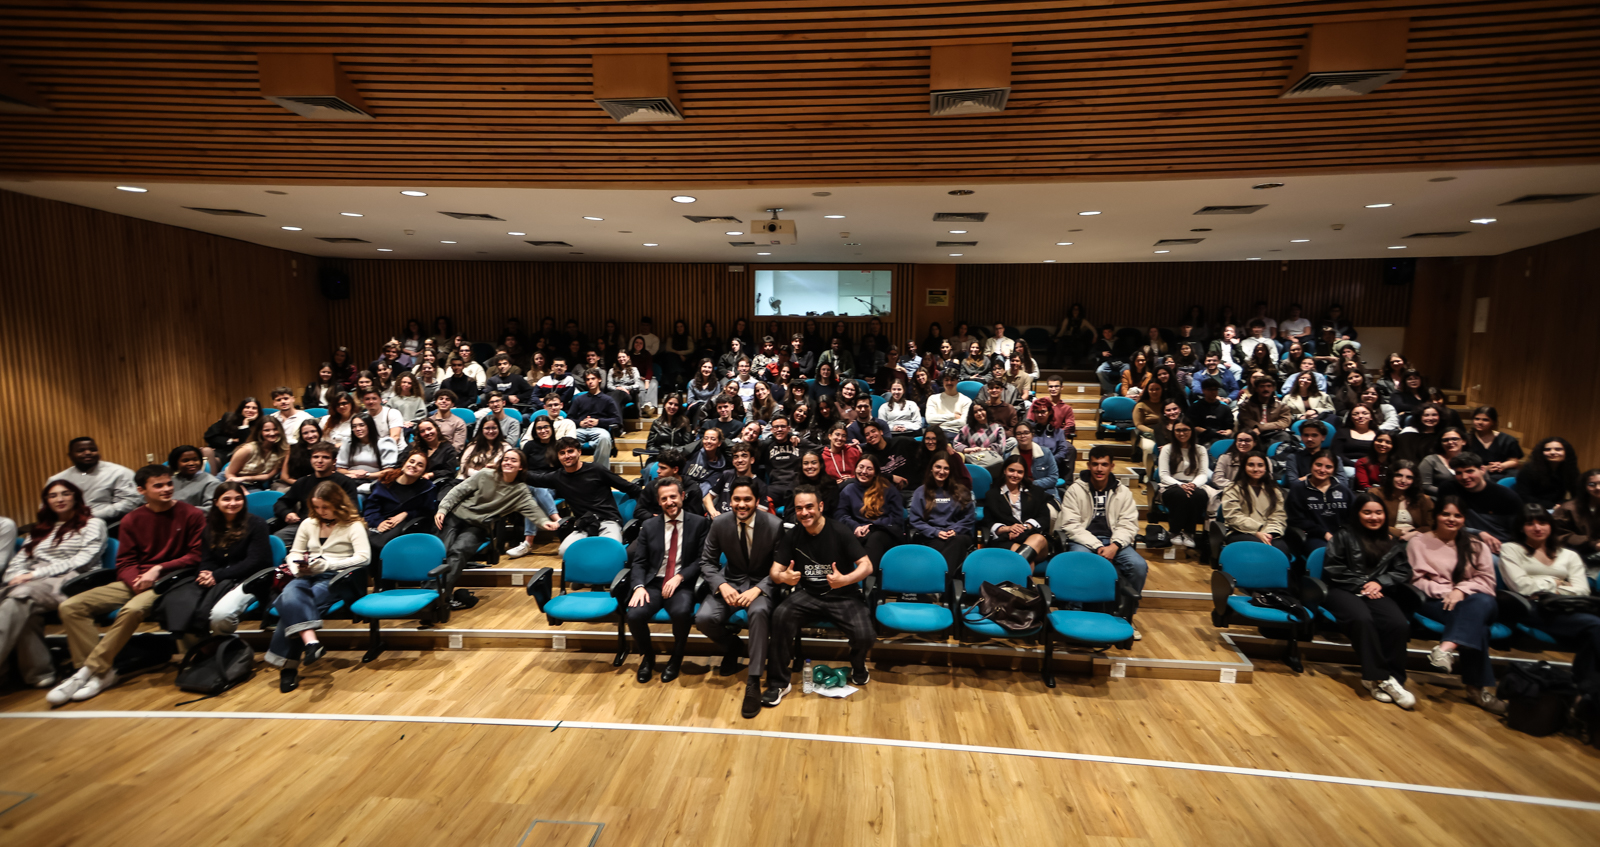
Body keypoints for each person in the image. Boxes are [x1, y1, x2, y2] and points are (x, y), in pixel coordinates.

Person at [49, 464, 205, 706]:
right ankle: (101, 673)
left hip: (171, 579)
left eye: (168, 484)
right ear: (141, 490)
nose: (166, 489)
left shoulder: (191, 514)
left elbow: (196, 556)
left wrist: (158, 569)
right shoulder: (132, 519)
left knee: (132, 610)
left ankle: (86, 673)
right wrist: (135, 582)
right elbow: (125, 561)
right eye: (159, 485)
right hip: (136, 580)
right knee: (71, 606)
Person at [764, 486, 876, 707]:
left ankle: (858, 665)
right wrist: (784, 577)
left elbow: (867, 566)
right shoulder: (793, 535)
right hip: (809, 595)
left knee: (866, 635)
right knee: (780, 615)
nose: (804, 512)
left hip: (844, 596)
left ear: (820, 507)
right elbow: (774, 573)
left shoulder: (840, 531)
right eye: (799, 508)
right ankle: (778, 683)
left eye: (809, 507)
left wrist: (845, 579)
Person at [1, 481, 106, 690]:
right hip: (33, 584)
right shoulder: (40, 529)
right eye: (53, 496)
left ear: (75, 497)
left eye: (65, 494)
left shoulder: (93, 524)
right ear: (46, 502)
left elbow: (83, 560)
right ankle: (40, 674)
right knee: (23, 607)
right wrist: (16, 575)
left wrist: (34, 574)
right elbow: (19, 561)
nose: (59, 499)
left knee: (20, 597)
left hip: (73, 581)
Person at [268, 482, 372, 693]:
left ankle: (288, 667)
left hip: (337, 577)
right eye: (316, 507)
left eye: (325, 507)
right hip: (308, 573)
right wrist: (297, 567)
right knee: (291, 594)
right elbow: (295, 552)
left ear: (338, 504)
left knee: (293, 605)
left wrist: (328, 564)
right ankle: (311, 643)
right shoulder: (309, 523)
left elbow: (364, 558)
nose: (320, 512)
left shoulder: (353, 525)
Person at [1409, 497, 1507, 715]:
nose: (1451, 519)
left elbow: (1488, 582)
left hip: (1476, 600)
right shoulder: (1418, 542)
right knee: (1476, 624)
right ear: (1436, 516)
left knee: (1479, 603)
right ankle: (1476, 690)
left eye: (1457, 515)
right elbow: (1417, 580)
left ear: (1464, 519)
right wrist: (1446, 593)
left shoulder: (1476, 545)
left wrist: (1460, 591)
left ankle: (1445, 649)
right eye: (1446, 514)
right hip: (1437, 601)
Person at [1320, 493, 1418, 709]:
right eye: (1367, 512)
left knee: (1398, 623)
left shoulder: (1390, 541)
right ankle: (1379, 678)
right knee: (1362, 619)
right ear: (1357, 514)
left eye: (1378, 512)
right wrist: (1364, 584)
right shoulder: (1343, 535)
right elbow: (1333, 569)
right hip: (1342, 589)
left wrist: (1380, 582)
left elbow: (1403, 570)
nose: (1374, 517)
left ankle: (1394, 679)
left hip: (1376, 590)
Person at [1502, 505, 1600, 686]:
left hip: (1567, 605)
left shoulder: (1569, 555)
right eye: (1530, 523)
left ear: (1551, 525)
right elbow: (1521, 586)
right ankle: (1587, 691)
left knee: (1592, 633)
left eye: (1542, 522)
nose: (1537, 528)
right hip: (1531, 607)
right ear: (1521, 527)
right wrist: (1556, 582)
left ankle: (1584, 688)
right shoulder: (1511, 549)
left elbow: (1582, 590)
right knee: (1595, 625)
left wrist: (1542, 586)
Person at [625, 477, 709, 685]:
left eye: (673, 496)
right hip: (654, 582)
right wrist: (638, 586)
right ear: (659, 502)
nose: (670, 502)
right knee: (634, 614)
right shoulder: (649, 525)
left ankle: (676, 657)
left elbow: (702, 560)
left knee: (681, 613)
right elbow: (640, 562)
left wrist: (679, 577)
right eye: (664, 499)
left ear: (682, 496)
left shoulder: (699, 523)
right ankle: (648, 657)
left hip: (682, 582)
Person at [437, 449, 556, 594]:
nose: (508, 462)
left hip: (478, 526)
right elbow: (458, 491)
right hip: (455, 516)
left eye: (513, 460)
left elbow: (533, 510)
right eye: (506, 459)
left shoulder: (520, 491)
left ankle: (439, 595)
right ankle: (427, 591)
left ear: (521, 467)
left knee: (458, 551)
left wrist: (545, 522)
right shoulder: (485, 474)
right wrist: (443, 509)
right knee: (441, 550)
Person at [1058, 447, 1146, 629]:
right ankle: (1076, 611)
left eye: (1104, 465)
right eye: (1095, 464)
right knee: (1081, 560)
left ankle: (1127, 615)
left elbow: (1128, 524)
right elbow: (1070, 524)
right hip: (1083, 540)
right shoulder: (1075, 489)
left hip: (1115, 541)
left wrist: (1114, 545)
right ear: (1089, 465)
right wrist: (1097, 545)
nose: (1099, 469)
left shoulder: (1123, 492)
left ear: (1112, 466)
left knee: (1138, 566)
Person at [521, 438, 642, 556]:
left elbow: (630, 488)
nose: (567, 456)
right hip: (584, 525)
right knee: (565, 551)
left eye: (570, 451)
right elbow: (534, 479)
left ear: (579, 452)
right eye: (562, 453)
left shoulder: (596, 469)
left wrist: (648, 507)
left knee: (609, 549)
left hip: (608, 521)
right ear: (558, 456)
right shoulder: (558, 477)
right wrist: (515, 468)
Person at [183, 481, 273, 637]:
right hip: (221, 579)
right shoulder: (210, 527)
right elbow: (207, 558)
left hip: (250, 580)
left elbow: (256, 562)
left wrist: (216, 576)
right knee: (185, 608)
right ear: (216, 502)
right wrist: (205, 573)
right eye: (226, 499)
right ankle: (212, 651)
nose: (233, 503)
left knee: (220, 615)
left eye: (238, 498)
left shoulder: (257, 524)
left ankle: (228, 649)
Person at [48, 437, 141, 524]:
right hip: (66, 524)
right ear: (70, 455)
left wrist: (91, 516)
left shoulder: (120, 472)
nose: (88, 452)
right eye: (81, 450)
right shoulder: (57, 479)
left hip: (110, 524)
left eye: (93, 450)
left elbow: (130, 502)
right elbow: (46, 508)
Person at [908, 456, 976, 575]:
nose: (941, 471)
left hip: (958, 534)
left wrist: (955, 530)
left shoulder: (961, 491)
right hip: (932, 535)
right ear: (931, 469)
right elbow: (915, 520)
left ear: (950, 471)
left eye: (946, 468)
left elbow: (969, 517)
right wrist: (936, 532)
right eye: (938, 467)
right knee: (939, 546)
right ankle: (939, 587)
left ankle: (933, 581)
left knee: (957, 542)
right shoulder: (921, 491)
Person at [1440, 453, 1523, 550]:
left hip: (1499, 545)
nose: (1464, 477)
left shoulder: (1506, 496)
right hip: (1462, 539)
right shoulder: (1449, 489)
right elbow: (1442, 522)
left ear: (1482, 470)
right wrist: (1477, 533)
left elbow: (1518, 532)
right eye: (1459, 473)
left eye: (1469, 471)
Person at [835, 455, 906, 568]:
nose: (864, 471)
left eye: (869, 468)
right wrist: (856, 527)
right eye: (861, 467)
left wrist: (873, 526)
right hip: (858, 532)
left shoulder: (888, 488)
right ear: (855, 469)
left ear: (876, 472)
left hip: (886, 531)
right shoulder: (848, 490)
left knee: (876, 537)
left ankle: (866, 581)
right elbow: (840, 515)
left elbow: (897, 517)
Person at [363, 452, 438, 557]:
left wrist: (406, 514)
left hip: (408, 527)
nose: (414, 466)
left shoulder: (427, 488)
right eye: (411, 462)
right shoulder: (385, 482)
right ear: (404, 464)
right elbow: (371, 508)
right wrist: (379, 523)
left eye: (420, 465)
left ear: (423, 472)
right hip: (380, 524)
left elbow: (428, 512)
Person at [1220, 452, 1293, 560]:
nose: (1255, 469)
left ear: (1266, 468)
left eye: (1260, 465)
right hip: (1241, 531)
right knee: (1258, 547)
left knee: (1281, 550)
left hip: (1270, 531)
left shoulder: (1275, 490)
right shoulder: (1233, 488)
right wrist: (1257, 531)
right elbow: (1233, 516)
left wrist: (1269, 532)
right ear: (1244, 467)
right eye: (1251, 465)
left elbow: (1279, 515)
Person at [985, 455, 1053, 565]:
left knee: (1038, 539)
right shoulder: (992, 495)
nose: (1015, 475)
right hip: (1007, 539)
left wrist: (1024, 528)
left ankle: (1011, 579)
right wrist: (1009, 529)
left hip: (1032, 537)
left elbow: (1044, 518)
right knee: (1025, 556)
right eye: (1011, 470)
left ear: (1024, 474)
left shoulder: (1036, 492)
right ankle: (1025, 582)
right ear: (1004, 471)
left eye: (1019, 472)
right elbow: (989, 522)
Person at [1157, 421, 1213, 550]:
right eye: (1178, 430)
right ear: (1173, 432)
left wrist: (1192, 484)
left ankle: (1189, 532)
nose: (1182, 433)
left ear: (1192, 431)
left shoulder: (1200, 449)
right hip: (1171, 484)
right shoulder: (1167, 448)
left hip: (1195, 483)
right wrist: (1181, 485)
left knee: (1199, 495)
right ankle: (1175, 531)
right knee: (1180, 495)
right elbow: (1163, 475)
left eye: (1185, 430)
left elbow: (1203, 474)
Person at [1286, 450, 1352, 556]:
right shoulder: (1298, 489)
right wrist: (1323, 533)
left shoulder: (1343, 490)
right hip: (1312, 536)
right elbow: (1296, 519)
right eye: (1318, 465)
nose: (1322, 470)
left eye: (1328, 467)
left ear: (1334, 469)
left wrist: (1342, 535)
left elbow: (1352, 517)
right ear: (1311, 465)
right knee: (1328, 552)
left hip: (1342, 536)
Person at [1553, 469, 1600, 574]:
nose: (1598, 488)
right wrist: (1593, 544)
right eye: (1592, 484)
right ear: (1584, 486)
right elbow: (1561, 535)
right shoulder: (1569, 508)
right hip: (1575, 554)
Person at [225, 416, 289, 491]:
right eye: (267, 430)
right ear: (260, 432)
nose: (272, 433)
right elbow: (229, 473)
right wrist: (242, 490)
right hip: (231, 481)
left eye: (275, 429)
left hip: (253, 484)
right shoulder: (247, 449)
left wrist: (244, 478)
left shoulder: (283, 451)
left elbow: (268, 476)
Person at [1516, 437, 1580, 509]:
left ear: (1567, 452)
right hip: (1533, 508)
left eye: (1558, 449)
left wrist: (1563, 504)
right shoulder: (1528, 470)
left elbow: (1577, 494)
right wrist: (1551, 506)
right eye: (1547, 450)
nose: (1552, 452)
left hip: (1557, 508)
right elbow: (1523, 496)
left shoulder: (1570, 470)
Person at [1464, 406, 1523, 481]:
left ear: (1493, 422)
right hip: (1475, 473)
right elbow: (1461, 461)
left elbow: (1514, 461)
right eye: (1477, 419)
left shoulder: (1507, 439)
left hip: (1501, 472)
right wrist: (1485, 468)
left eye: (1485, 420)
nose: (1480, 422)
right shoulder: (1465, 439)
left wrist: (1502, 465)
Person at [1236, 376, 1293, 444]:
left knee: (1284, 436)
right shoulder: (1245, 406)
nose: (1266, 389)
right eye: (1262, 386)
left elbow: (1284, 422)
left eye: (1269, 386)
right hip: (1253, 433)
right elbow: (1246, 421)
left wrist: (1260, 427)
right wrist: (1261, 428)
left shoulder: (1282, 406)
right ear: (1256, 389)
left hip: (1274, 433)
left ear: (1273, 388)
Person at [1418, 428, 1469, 497]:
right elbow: (1425, 486)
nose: (1450, 442)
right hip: (1437, 500)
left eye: (1454, 439)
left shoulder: (1471, 460)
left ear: (1463, 441)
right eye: (1445, 440)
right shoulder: (1430, 460)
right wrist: (1450, 493)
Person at [167, 444, 219, 509]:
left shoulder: (211, 482)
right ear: (175, 463)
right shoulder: (170, 480)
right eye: (186, 460)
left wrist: (179, 511)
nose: (191, 463)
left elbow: (210, 509)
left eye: (195, 460)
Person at [925, 372, 974, 438]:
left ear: (957, 381)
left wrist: (940, 424)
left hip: (957, 434)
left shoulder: (966, 400)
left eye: (952, 380)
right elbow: (930, 420)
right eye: (946, 380)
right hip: (937, 435)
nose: (949, 383)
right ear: (943, 381)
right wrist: (953, 416)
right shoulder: (933, 398)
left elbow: (963, 422)